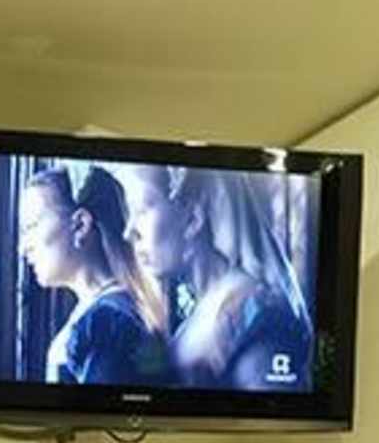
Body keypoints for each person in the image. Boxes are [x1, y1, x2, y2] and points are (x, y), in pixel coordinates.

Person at [113, 163, 313, 391]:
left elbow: (274, 409)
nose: (128, 232)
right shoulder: (198, 314)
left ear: (193, 219)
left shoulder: (251, 314)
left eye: (141, 209)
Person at [18, 165, 167, 387]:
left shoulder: (107, 322)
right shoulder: (116, 309)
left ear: (80, 225)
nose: (23, 248)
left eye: (31, 226)